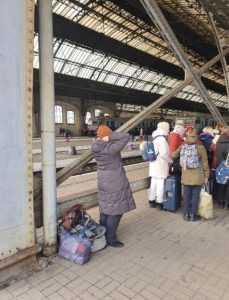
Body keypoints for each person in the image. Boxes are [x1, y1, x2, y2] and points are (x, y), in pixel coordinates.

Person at [91, 125, 136, 248]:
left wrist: (104, 137)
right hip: (114, 181)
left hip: (103, 180)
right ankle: (110, 238)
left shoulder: (96, 146)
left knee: (106, 207)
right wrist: (109, 136)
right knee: (116, 210)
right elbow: (126, 136)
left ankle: (102, 234)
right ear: (106, 136)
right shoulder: (110, 148)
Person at [172, 132, 209, 221]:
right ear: (196, 139)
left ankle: (186, 215)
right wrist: (206, 176)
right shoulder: (200, 148)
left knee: (186, 196)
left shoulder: (183, 147)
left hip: (186, 176)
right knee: (195, 196)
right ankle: (193, 215)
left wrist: (181, 149)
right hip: (198, 176)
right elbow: (205, 163)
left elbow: (173, 155)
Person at [148, 122, 171, 210]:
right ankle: (160, 202)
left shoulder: (155, 137)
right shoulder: (162, 139)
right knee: (160, 183)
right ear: (165, 128)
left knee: (153, 181)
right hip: (160, 164)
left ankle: (151, 200)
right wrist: (170, 160)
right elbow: (164, 154)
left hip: (153, 163)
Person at [215, 125, 229, 209]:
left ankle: (220, 202)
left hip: (219, 165)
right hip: (227, 166)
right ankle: (226, 204)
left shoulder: (218, 141)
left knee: (221, 184)